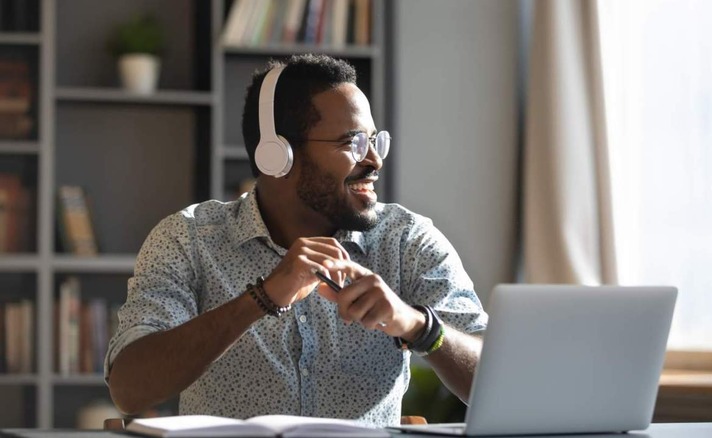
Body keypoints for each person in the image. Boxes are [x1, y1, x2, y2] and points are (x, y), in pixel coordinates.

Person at [104, 54, 487, 427]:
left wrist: (420, 327)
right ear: (278, 156)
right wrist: (262, 298)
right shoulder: (189, 238)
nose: (374, 160)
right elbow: (129, 388)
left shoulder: (406, 240)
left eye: (374, 140)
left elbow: (500, 377)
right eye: (352, 142)